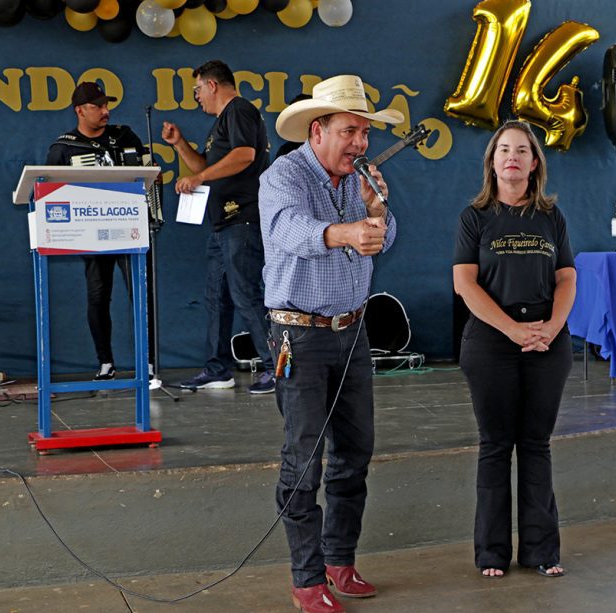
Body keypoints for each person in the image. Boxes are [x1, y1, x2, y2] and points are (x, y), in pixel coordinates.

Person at [258, 74, 403, 613]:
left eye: (365, 133)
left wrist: (376, 213)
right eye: (350, 132)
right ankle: (307, 578)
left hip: (352, 331)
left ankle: (340, 559)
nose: (360, 143)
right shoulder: (283, 176)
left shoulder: (358, 178)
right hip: (299, 335)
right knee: (304, 458)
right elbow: (289, 230)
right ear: (317, 131)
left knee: (355, 451)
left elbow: (385, 237)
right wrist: (345, 232)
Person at [452, 120, 576, 579]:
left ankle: (542, 551)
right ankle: (491, 553)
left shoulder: (551, 217)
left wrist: (551, 328)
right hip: (491, 342)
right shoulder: (474, 217)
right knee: (495, 445)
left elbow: (567, 278)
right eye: (504, 149)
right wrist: (512, 330)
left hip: (546, 340)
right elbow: (464, 283)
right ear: (492, 162)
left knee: (536, 444)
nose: (512, 157)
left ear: (534, 163)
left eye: (522, 150)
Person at [161, 60, 275, 394]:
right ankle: (217, 369)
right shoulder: (221, 123)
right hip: (222, 223)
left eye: (197, 89)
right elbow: (206, 165)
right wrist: (179, 144)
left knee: (245, 293)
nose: (196, 96)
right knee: (217, 298)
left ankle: (277, 368)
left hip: (243, 218)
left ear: (212, 85)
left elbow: (243, 155)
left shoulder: (239, 110)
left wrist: (198, 178)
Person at [46, 81, 155, 381]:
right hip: (92, 233)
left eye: (107, 105)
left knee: (142, 295)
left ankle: (148, 362)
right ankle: (105, 362)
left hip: (130, 227)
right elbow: (50, 193)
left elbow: (147, 171)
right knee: (97, 296)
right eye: (98, 106)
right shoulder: (64, 147)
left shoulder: (124, 136)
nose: (105, 111)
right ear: (79, 110)